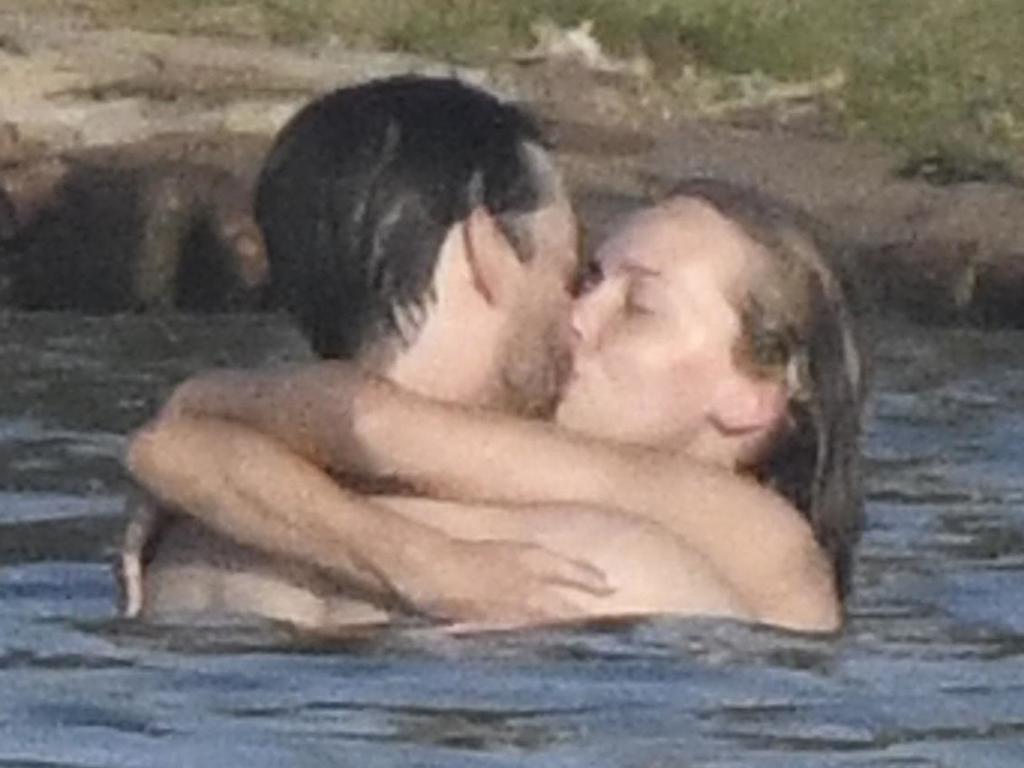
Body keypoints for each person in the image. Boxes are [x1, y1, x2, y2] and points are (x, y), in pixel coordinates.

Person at [125, 79, 867, 633]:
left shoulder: (752, 535)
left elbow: (370, 421)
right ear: (487, 249)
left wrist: (202, 407)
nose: (578, 317)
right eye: (582, 277)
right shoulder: (621, 553)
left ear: (758, 395)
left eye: (636, 307)